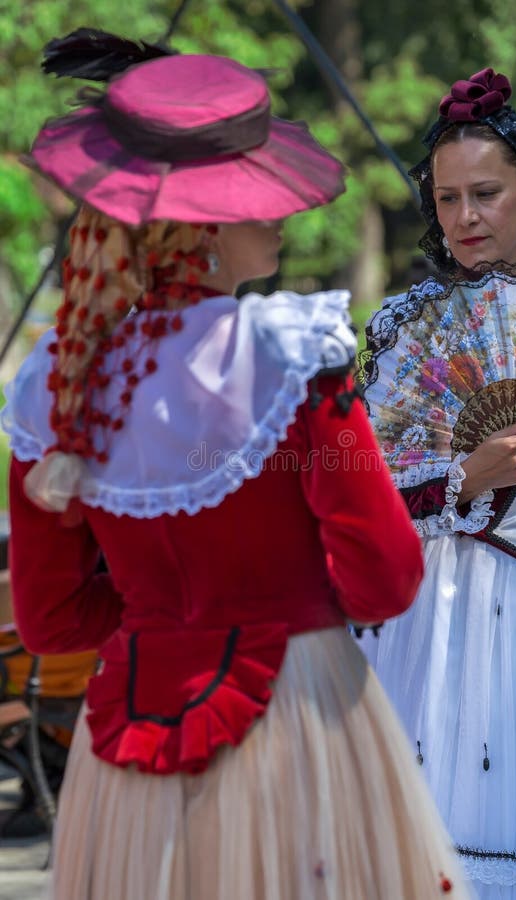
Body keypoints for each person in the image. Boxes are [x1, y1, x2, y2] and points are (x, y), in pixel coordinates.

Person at [1, 40, 470, 900]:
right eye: (256, 198)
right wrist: (283, 598)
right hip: (294, 709)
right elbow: (387, 576)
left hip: (133, 734)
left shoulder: (56, 386)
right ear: (205, 226)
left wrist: (160, 613)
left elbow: (52, 618)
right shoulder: (289, 356)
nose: (281, 212)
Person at [362, 67, 516, 898]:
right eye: (447, 196)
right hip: (462, 616)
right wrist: (465, 473)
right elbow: (367, 496)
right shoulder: (402, 332)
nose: (464, 217)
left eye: (486, 193)